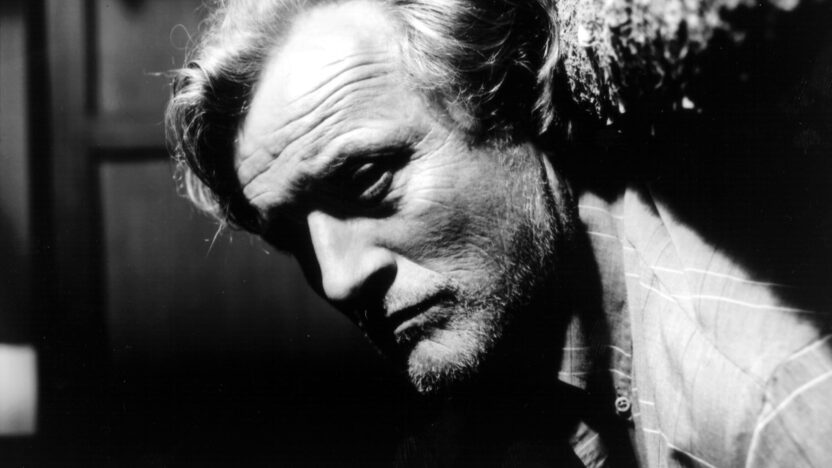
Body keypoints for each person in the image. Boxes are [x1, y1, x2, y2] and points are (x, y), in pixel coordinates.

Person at [166, 0, 832, 466]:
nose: (339, 279)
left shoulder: (769, 405)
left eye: (367, 177)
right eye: (291, 236)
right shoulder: (496, 365)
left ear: (510, 101)